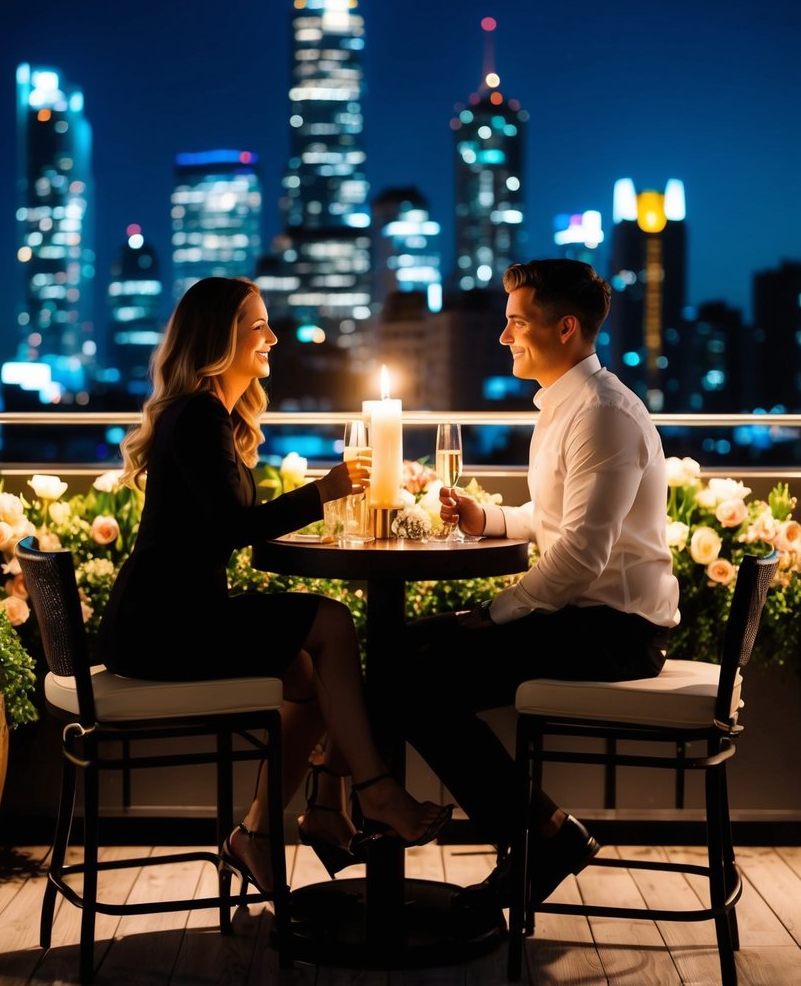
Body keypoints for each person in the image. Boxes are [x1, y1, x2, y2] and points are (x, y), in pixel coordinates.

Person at [98, 276, 450, 894]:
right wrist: (327, 491)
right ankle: (372, 794)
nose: (273, 337)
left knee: (311, 679)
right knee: (332, 623)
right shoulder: (196, 418)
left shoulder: (212, 418)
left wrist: (319, 499)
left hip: (175, 615)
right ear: (219, 339)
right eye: (257, 326)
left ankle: (267, 831)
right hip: (162, 628)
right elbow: (234, 529)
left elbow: (220, 529)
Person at [400, 258, 680, 912]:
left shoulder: (602, 413)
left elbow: (581, 554)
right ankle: (541, 835)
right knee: (398, 650)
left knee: (413, 677)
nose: (504, 337)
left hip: (616, 634)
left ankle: (539, 838)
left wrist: (493, 613)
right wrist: (490, 517)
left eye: (516, 323)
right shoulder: (566, 404)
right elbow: (558, 521)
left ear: (565, 328)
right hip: (584, 620)